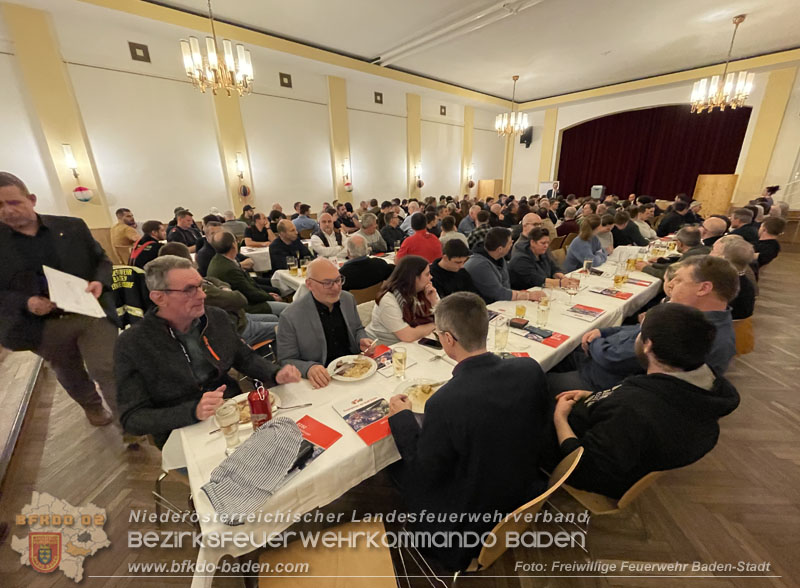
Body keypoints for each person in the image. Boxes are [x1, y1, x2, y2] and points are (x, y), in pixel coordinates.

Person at [387, 291, 549, 571]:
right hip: (522, 490)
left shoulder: (445, 402)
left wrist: (402, 419)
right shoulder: (529, 369)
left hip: (468, 526)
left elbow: (425, 472)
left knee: (394, 468)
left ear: (448, 339)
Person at [550, 302, 739, 500]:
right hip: (624, 448)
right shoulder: (707, 387)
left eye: (640, 333)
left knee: (535, 380)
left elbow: (583, 469)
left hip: (579, 460)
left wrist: (560, 419)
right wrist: (596, 395)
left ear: (648, 345)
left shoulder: (633, 408)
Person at [115, 255, 301, 447]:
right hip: (181, 430)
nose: (202, 295)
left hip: (233, 414)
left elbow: (244, 358)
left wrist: (275, 372)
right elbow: (132, 418)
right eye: (189, 290)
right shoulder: (133, 343)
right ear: (159, 297)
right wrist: (193, 411)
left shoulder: (215, 318)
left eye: (200, 286)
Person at [0, 172, 119, 426]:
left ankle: (129, 425)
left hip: (88, 312)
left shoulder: (72, 227)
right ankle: (92, 406)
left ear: (32, 199)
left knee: (106, 367)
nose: (7, 210)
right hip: (42, 325)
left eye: (13, 202)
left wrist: (99, 281)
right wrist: (26, 303)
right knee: (69, 372)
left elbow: (102, 261)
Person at [548, 255, 738, 394]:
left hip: (603, 383)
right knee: (560, 349)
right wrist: (603, 332)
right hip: (603, 359)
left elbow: (615, 359)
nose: (671, 284)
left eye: (679, 280)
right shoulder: (690, 316)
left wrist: (595, 342)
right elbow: (636, 330)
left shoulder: (689, 331)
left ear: (704, 288)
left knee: (537, 376)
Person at [276, 258, 373, 389]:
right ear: (309, 284)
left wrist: (361, 339)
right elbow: (285, 360)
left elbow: (357, 329)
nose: (336, 287)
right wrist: (309, 368)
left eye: (338, 280)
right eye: (327, 283)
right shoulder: (290, 316)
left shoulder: (347, 299)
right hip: (322, 379)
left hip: (353, 370)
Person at [160, 242, 280, 345]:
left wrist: (224, 288)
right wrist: (226, 290)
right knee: (285, 328)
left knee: (276, 318)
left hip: (239, 318)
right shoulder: (197, 289)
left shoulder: (179, 285)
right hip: (236, 329)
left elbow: (213, 280)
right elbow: (240, 300)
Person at [207, 231, 288, 315]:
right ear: (234, 244)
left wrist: (266, 294)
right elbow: (250, 293)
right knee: (287, 309)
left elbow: (249, 287)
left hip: (242, 301)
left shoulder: (220, 259)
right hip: (245, 307)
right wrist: (270, 297)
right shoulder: (229, 269)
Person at [367, 255, 439, 344]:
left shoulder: (426, 290)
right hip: (384, 345)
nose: (431, 277)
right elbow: (407, 335)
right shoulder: (388, 299)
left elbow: (445, 319)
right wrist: (435, 324)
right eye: (427, 274)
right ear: (413, 278)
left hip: (415, 342)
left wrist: (434, 302)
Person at [464, 227, 545, 304]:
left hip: (500, 303)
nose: (512, 244)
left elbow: (506, 286)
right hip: (482, 307)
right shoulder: (480, 265)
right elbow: (498, 293)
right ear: (500, 249)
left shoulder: (499, 258)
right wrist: (528, 296)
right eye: (510, 243)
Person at [509, 227, 578, 290]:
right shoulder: (520, 259)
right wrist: (560, 283)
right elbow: (536, 280)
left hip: (541, 289)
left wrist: (561, 276)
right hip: (524, 292)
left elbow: (553, 267)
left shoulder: (542, 251)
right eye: (543, 243)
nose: (546, 246)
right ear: (532, 242)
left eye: (548, 243)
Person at [637, 226, 710, 280]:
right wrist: (654, 264)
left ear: (679, 243)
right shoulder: (704, 249)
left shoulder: (691, 257)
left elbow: (671, 275)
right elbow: (674, 266)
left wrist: (645, 268)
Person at [710, 235, 756, 320]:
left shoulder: (720, 286)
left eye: (713, 250)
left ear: (722, 258)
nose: (709, 254)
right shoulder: (747, 283)